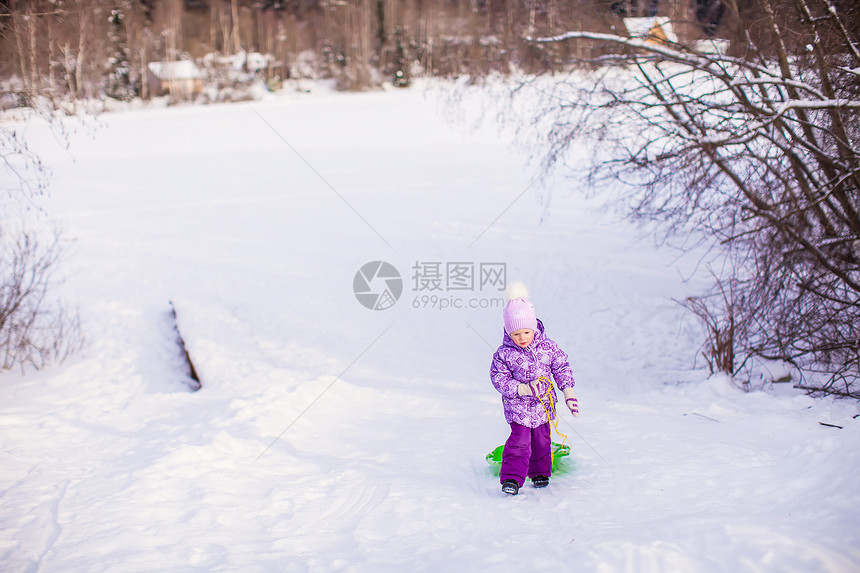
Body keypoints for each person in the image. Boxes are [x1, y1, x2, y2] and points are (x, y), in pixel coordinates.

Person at [490, 283, 578, 495]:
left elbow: (561, 366)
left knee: (541, 440)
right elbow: (498, 378)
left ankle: (539, 472)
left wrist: (569, 392)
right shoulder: (504, 354)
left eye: (526, 332)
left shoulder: (548, 347)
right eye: (516, 334)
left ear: (534, 328)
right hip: (517, 408)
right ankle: (511, 478)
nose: (522, 338)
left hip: (542, 407)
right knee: (519, 441)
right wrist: (521, 389)